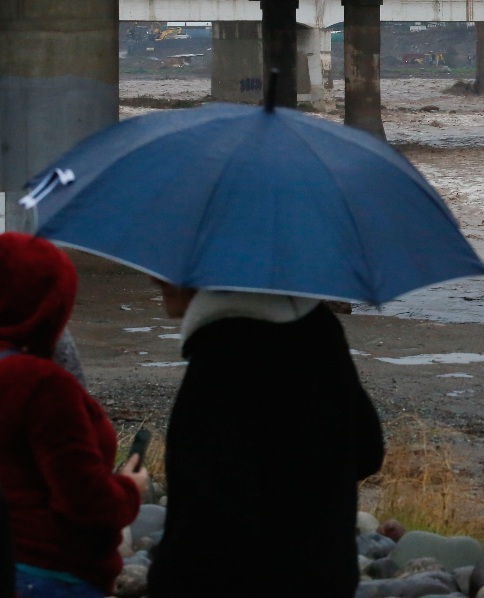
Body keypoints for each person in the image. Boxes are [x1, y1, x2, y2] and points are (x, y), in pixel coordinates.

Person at [147, 282, 385, 598]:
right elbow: (368, 451)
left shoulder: (221, 356)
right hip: (329, 580)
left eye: (169, 268)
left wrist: (162, 580)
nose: (155, 279)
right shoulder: (319, 327)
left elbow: (210, 523)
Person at [0, 233, 147, 598]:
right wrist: (131, 488)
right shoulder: (42, 385)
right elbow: (85, 501)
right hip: (49, 573)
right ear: (52, 306)